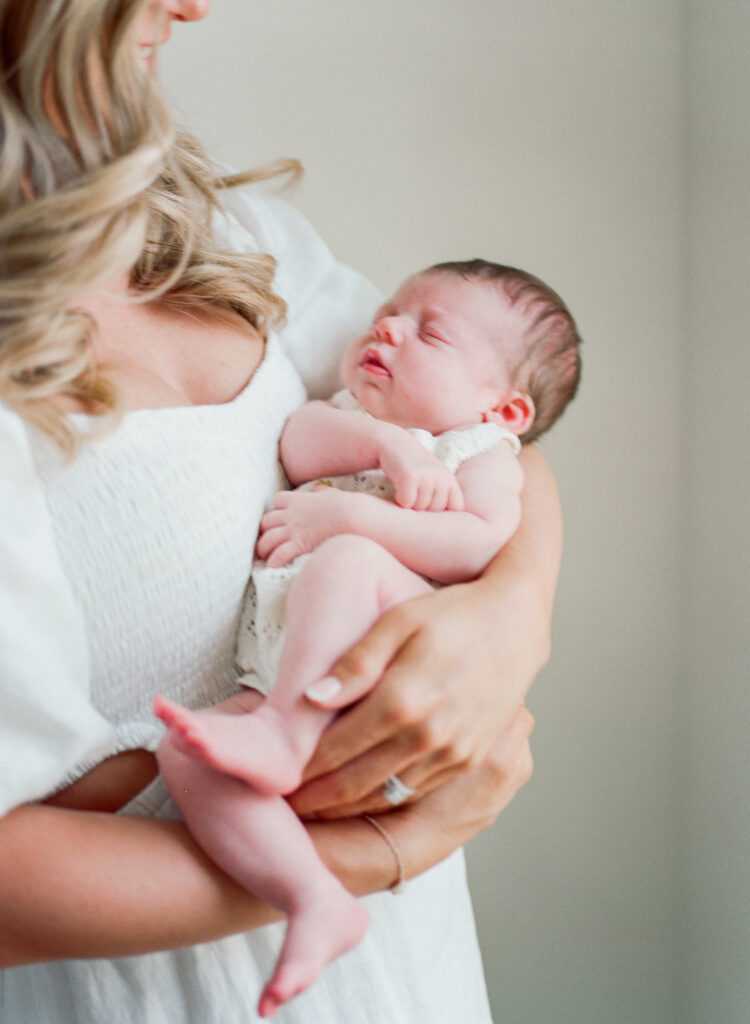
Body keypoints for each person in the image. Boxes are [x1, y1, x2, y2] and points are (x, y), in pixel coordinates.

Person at [0, 2, 561, 1022]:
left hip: (410, 978)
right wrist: (381, 851)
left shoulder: (200, 219)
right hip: (153, 989)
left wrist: (511, 617)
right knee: (198, 743)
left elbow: (481, 435)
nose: (191, 6)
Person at [153, 260, 580, 1016]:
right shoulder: (351, 414)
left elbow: (479, 545)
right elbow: (300, 442)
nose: (389, 326)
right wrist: (388, 448)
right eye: (390, 311)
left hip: (375, 656)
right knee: (184, 752)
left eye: (432, 332)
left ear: (504, 410)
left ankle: (287, 731)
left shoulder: (481, 455)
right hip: (285, 668)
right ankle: (314, 894)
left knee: (352, 559)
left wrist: (354, 517)